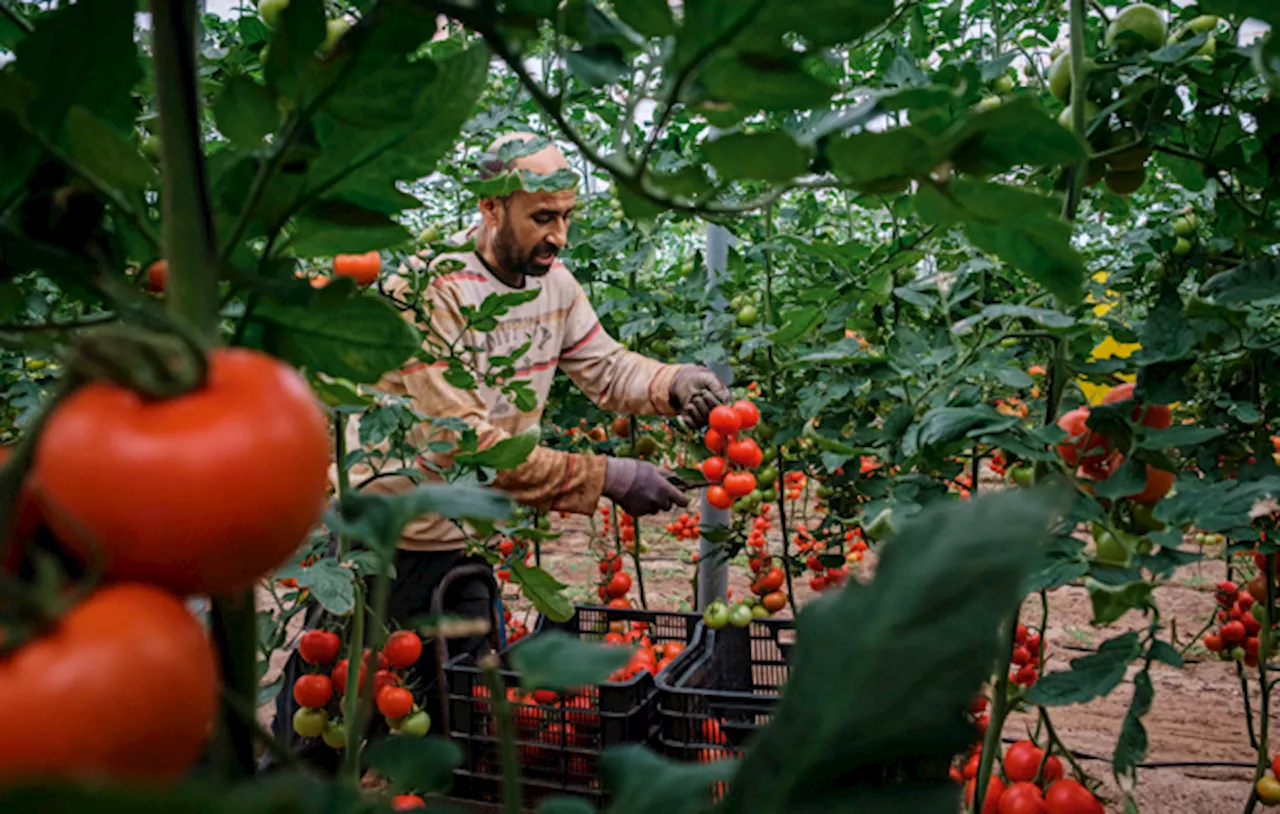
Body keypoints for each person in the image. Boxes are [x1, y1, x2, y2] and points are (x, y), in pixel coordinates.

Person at [265, 132, 729, 771]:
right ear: (490, 208)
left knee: (464, 714)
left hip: (467, 538)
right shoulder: (432, 290)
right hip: (387, 538)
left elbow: (606, 365)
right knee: (335, 707)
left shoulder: (555, 284)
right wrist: (607, 475)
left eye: (566, 217)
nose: (559, 235)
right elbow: (468, 447)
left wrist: (673, 382)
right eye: (543, 218)